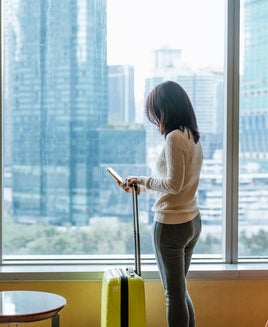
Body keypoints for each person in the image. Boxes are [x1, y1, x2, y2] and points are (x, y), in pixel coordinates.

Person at [118, 80, 203, 327]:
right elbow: (179, 183)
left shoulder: (174, 138)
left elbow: (173, 185)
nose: (155, 119)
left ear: (165, 109)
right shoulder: (192, 135)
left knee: (173, 293)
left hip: (172, 226)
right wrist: (140, 186)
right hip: (192, 221)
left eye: (155, 112)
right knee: (179, 289)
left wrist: (144, 179)